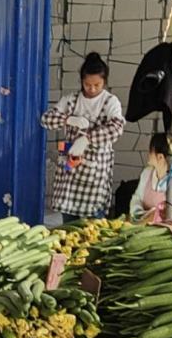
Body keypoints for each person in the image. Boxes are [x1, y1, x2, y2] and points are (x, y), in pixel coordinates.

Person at [41, 53, 125, 221]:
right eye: (87, 84)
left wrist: (87, 138)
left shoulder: (110, 102)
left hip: (96, 172)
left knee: (93, 224)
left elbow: (116, 128)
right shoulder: (71, 100)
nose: (92, 89)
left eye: (97, 85)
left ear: (105, 82)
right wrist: (68, 119)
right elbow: (46, 119)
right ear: (81, 81)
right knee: (69, 223)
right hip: (70, 170)